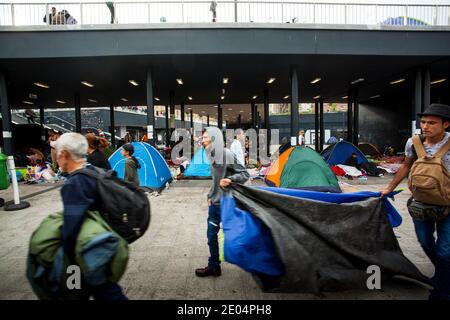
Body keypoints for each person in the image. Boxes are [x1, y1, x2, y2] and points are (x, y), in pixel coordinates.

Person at [381, 103, 450, 301]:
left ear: (445, 124)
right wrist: (388, 188)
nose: (426, 126)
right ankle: (444, 274)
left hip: (448, 202)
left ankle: (442, 291)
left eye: (432, 123)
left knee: (445, 251)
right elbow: (405, 167)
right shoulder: (414, 143)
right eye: (423, 122)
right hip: (421, 203)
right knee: (425, 242)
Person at [54, 132, 127, 300]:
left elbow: (72, 228)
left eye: (58, 154)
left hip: (87, 251)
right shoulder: (93, 171)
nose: (57, 159)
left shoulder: (75, 183)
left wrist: (65, 256)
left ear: (65, 154)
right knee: (107, 290)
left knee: (90, 292)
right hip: (103, 242)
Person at [195, 128, 250, 277]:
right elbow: (215, 179)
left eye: (205, 137)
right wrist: (210, 194)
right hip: (215, 203)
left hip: (228, 203)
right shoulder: (209, 153)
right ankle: (214, 266)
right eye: (202, 137)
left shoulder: (226, 154)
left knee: (237, 235)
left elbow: (245, 174)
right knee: (211, 235)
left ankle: (254, 262)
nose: (202, 139)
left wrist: (231, 179)